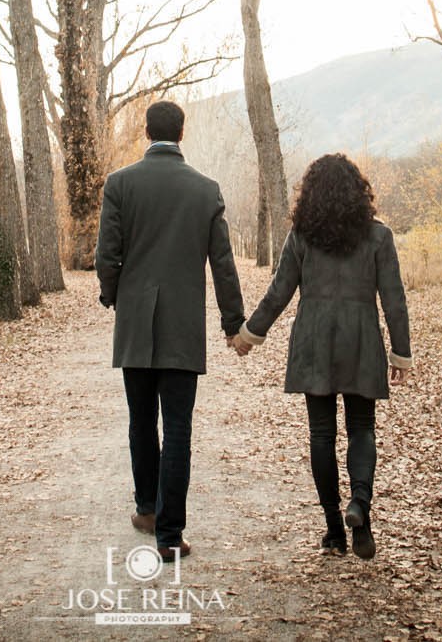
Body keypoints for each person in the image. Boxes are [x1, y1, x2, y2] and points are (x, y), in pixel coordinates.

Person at [234, 153, 411, 560]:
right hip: (361, 339)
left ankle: (333, 529)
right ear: (358, 193)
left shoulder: (302, 236)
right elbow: (394, 300)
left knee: (321, 434)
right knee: (362, 427)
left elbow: (278, 292)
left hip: (314, 340)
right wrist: (401, 353)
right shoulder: (378, 236)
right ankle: (360, 505)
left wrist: (249, 334)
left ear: (310, 194)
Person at [96, 100, 246, 562]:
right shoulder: (205, 190)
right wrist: (232, 322)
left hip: (135, 323)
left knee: (141, 420)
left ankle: (146, 508)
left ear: (146, 132)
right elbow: (222, 264)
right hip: (183, 325)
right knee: (178, 426)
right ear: (182, 133)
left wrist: (112, 295)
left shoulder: (120, 184)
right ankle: (169, 535)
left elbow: (107, 254)